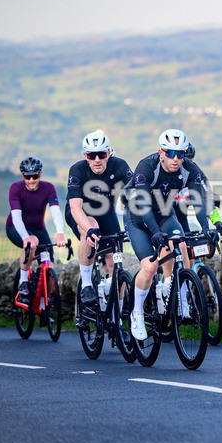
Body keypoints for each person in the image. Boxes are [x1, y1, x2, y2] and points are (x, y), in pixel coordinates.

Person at [123, 129, 216, 340]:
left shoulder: (190, 170)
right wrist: (154, 232)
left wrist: (207, 227)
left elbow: (199, 202)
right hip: (138, 216)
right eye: (170, 153)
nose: (176, 159)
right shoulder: (147, 166)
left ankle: (172, 291)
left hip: (165, 213)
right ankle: (136, 312)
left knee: (179, 242)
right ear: (161, 152)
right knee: (149, 266)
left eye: (180, 154)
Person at [66, 130, 133, 309]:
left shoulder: (119, 166)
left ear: (108, 153)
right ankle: (87, 285)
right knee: (91, 228)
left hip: (106, 212)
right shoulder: (77, 170)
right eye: (91, 155)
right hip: (80, 212)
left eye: (101, 154)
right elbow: (75, 207)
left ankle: (116, 315)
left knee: (114, 260)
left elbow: (135, 195)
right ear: (85, 156)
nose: (97, 159)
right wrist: (88, 229)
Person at [6, 156, 66, 303]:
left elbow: (56, 211)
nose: (32, 180)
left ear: (40, 174)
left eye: (35, 176)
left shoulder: (48, 188)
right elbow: (16, 216)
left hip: (39, 229)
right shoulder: (16, 188)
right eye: (28, 176)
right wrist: (26, 237)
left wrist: (60, 233)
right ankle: (23, 282)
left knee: (49, 267)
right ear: (22, 176)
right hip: (15, 227)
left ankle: (42, 308)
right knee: (31, 243)